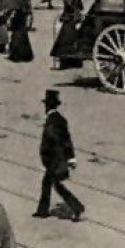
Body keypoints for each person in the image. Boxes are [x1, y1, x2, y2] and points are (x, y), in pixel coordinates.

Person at [33, 90, 84, 221]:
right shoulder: (60, 119)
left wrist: (51, 159)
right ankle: (42, 210)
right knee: (48, 184)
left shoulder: (52, 121)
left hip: (55, 160)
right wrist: (71, 157)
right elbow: (67, 140)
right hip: (58, 160)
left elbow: (54, 141)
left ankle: (76, 207)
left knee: (57, 186)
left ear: (47, 106)